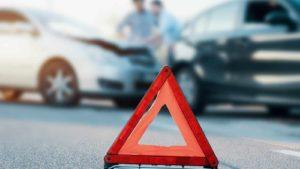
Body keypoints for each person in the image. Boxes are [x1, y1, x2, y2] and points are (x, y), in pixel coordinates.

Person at [150, 0, 181, 66]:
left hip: (174, 46)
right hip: (171, 45)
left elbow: (161, 33)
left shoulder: (165, 16)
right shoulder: (162, 16)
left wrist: (148, 40)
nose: (152, 10)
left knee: (170, 65)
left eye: (153, 8)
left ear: (158, 7)